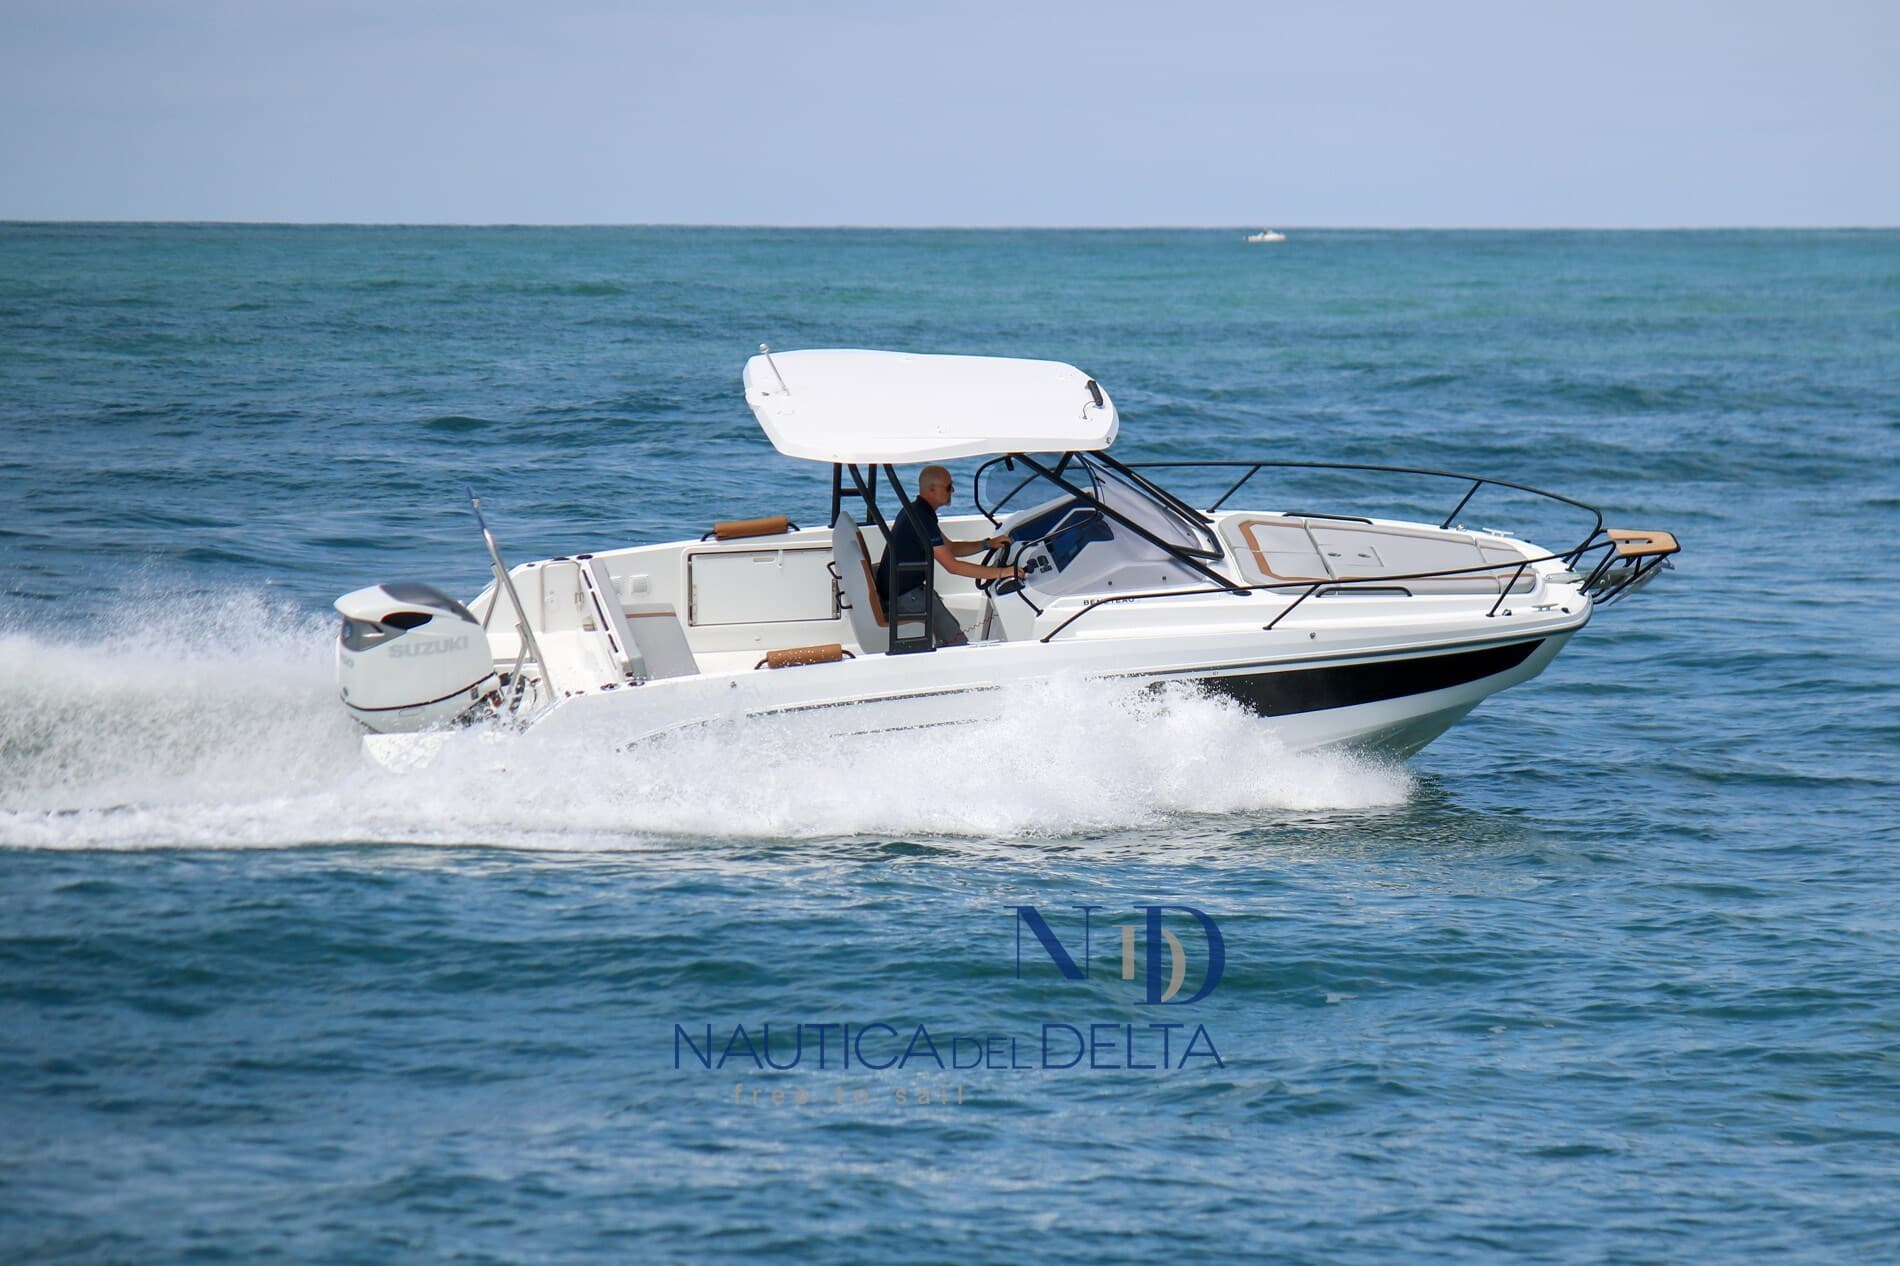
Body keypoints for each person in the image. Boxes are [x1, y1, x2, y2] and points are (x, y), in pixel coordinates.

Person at [874, 465, 1019, 647]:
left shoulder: (919, 511)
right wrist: (1003, 573)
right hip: (905, 597)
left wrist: (987, 544)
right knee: (955, 642)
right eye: (949, 487)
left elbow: (950, 548)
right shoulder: (922, 518)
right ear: (932, 490)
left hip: (904, 592)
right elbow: (953, 566)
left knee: (952, 634)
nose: (953, 490)